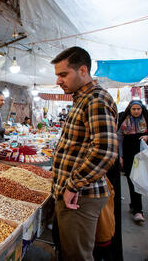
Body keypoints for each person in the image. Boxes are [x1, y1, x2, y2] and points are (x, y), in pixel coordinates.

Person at [50, 46, 118, 261]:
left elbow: (104, 151)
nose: (58, 81)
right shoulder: (81, 98)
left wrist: (73, 185)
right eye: (57, 75)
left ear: (82, 71)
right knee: (69, 250)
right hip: (74, 193)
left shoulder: (95, 99)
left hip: (80, 197)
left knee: (77, 256)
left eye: (63, 74)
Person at [117, 99, 148, 223]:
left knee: (140, 179)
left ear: (142, 109)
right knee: (132, 180)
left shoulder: (146, 120)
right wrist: (120, 156)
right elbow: (119, 139)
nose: (136, 111)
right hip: (129, 155)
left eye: (138, 109)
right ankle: (137, 208)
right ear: (130, 109)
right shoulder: (124, 121)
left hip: (143, 155)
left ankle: (137, 208)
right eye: (133, 109)